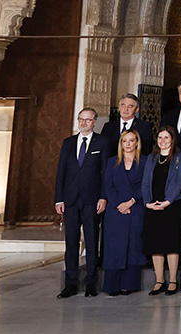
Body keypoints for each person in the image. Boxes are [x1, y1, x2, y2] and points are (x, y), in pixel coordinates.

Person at [54, 107, 111, 298]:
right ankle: (70, 284)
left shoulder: (102, 142)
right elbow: (61, 172)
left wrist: (103, 196)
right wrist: (58, 198)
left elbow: (105, 172)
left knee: (92, 240)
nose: (84, 123)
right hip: (70, 200)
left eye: (88, 120)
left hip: (92, 200)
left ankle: (91, 284)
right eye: (81, 119)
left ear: (95, 122)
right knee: (71, 242)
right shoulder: (68, 143)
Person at [142, 126, 181, 296]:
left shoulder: (179, 156)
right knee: (156, 245)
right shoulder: (151, 157)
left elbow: (179, 180)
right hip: (153, 205)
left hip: (172, 205)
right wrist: (148, 203)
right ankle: (159, 280)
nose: (162, 141)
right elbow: (145, 182)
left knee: (171, 244)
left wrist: (168, 201)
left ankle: (173, 280)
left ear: (172, 139)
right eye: (160, 138)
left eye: (166, 138)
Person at [102, 129, 145, 296]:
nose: (128, 144)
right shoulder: (112, 162)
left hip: (135, 209)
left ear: (136, 143)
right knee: (114, 247)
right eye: (124, 141)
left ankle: (129, 284)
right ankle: (112, 285)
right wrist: (119, 204)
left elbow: (145, 186)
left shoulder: (145, 162)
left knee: (133, 246)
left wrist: (131, 202)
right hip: (116, 210)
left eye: (131, 140)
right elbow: (108, 186)